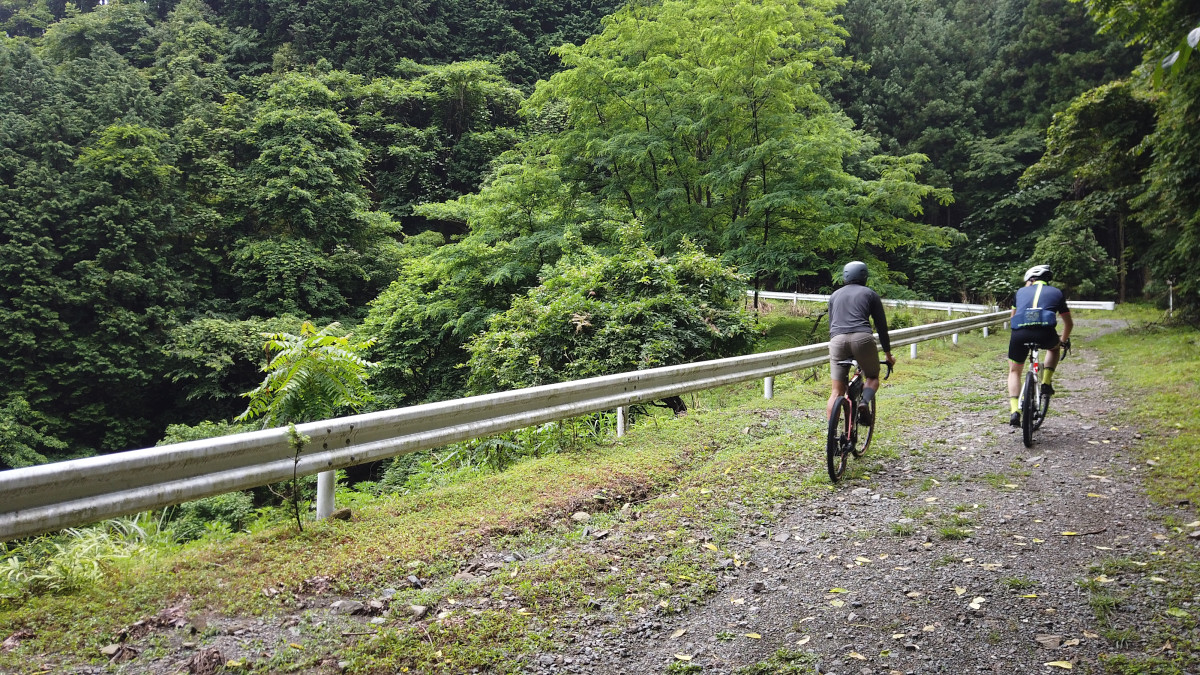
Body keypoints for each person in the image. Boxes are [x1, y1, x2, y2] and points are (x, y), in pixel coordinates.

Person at [827, 261, 895, 426]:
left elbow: (832, 325)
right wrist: (888, 355)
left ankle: (833, 439)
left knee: (836, 391)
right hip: (862, 339)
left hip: (837, 340)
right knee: (872, 377)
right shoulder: (870, 294)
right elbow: (881, 327)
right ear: (864, 276)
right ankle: (864, 402)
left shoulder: (834, 295)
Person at [1006, 264, 1073, 426]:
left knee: (1014, 371)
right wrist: (1062, 340)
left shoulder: (1020, 292)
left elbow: (1012, 318)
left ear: (1031, 280)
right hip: (1046, 333)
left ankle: (1015, 410)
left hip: (1019, 334)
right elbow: (1068, 323)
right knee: (1054, 348)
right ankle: (1046, 383)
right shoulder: (1056, 293)